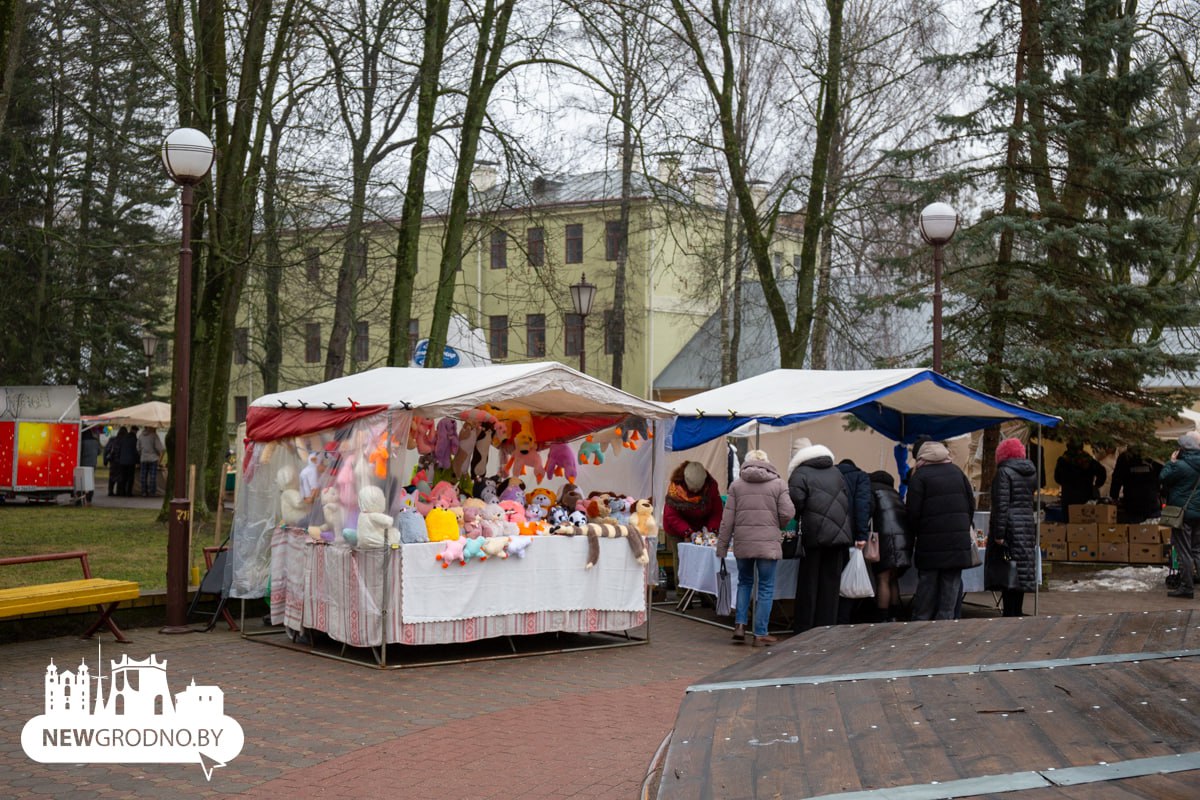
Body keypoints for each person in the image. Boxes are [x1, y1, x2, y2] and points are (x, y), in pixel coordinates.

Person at [716, 449, 795, 647]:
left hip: (743, 542)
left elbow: (727, 520)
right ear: (767, 463)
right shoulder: (778, 484)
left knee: (744, 582)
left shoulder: (736, 485)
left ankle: (740, 626)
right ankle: (760, 633)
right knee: (766, 587)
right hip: (768, 543)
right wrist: (778, 525)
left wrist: (722, 546)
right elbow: (788, 512)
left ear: (747, 463)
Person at [906, 436, 976, 620]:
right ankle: (944, 634)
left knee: (926, 595)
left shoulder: (919, 477)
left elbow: (912, 513)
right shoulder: (957, 472)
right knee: (949, 597)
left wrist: (917, 534)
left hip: (930, 545)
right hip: (957, 545)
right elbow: (971, 504)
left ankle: (921, 631)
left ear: (921, 457)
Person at [788, 440, 854, 633]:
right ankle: (826, 627)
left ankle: (805, 628)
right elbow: (845, 499)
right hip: (839, 534)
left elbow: (795, 503)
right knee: (830, 583)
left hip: (814, 533)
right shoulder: (835, 471)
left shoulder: (800, 474)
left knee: (809, 583)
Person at [987, 437, 1039, 617]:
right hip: (1026, 524)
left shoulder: (1003, 473)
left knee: (1008, 568)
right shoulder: (1031, 472)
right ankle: (1017, 610)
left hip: (1010, 526)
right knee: (1021, 569)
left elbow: (1001, 505)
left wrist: (999, 533)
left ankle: (1009, 611)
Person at [663, 460, 724, 586]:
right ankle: (683, 593)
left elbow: (717, 511)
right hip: (676, 529)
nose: (696, 491)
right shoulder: (675, 488)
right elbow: (671, 516)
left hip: (702, 527)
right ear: (685, 480)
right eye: (693, 488)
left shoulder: (711, 486)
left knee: (705, 559)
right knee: (681, 558)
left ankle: (705, 593)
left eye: (698, 488)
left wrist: (711, 530)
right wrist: (688, 532)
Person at [1159, 431, 1200, 600]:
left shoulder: (1180, 465)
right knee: (1197, 549)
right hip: (1199, 513)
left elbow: (1163, 478)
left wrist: (1171, 462)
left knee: (1184, 551)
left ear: (1183, 448)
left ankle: (1186, 587)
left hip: (1182, 513)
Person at [869, 471, 911, 622]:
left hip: (885, 541)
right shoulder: (895, 495)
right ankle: (894, 615)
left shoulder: (872, 492)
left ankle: (882, 617)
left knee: (882, 579)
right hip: (902, 541)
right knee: (893, 578)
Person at [1110, 447, 1163, 524]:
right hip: (1151, 501)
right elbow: (1164, 476)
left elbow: (1116, 478)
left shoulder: (1125, 457)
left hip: (1132, 502)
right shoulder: (1154, 456)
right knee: (1152, 531)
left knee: (1134, 532)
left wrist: (1114, 496)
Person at [1054, 440, 1107, 509]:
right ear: (1082, 446)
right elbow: (1102, 472)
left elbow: (1057, 478)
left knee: (1068, 518)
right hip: (1085, 498)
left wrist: (1065, 483)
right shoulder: (1089, 460)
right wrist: (1097, 485)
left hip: (1068, 498)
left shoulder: (1062, 460)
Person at [137, 426, 164, 497]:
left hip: (143, 458)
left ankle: (144, 492)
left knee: (143, 476)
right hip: (153, 459)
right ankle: (152, 492)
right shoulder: (154, 436)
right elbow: (160, 448)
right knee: (152, 476)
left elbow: (138, 448)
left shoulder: (140, 436)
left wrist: (142, 454)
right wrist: (159, 458)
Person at [79, 428, 101, 504]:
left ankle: (80, 497)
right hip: (93, 464)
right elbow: (99, 452)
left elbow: (79, 453)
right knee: (90, 481)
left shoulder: (82, 442)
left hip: (83, 463)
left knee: (81, 481)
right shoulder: (95, 442)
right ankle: (89, 498)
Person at [117, 426, 140, 497]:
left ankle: (122, 492)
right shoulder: (135, 439)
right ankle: (128, 492)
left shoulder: (123, 438)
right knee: (130, 478)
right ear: (135, 431)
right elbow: (135, 451)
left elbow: (119, 449)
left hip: (122, 461)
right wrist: (138, 461)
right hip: (131, 461)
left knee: (123, 477)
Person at [104, 428, 123, 496]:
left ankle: (110, 491)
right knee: (120, 477)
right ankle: (119, 491)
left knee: (112, 477)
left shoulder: (112, 439)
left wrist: (105, 461)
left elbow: (106, 450)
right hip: (121, 462)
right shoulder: (123, 440)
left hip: (113, 461)